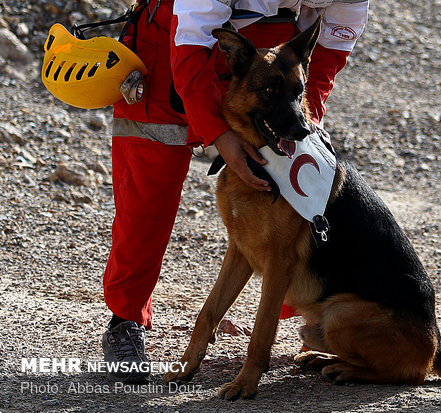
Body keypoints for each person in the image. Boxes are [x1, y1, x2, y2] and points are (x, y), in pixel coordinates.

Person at [101, 0, 369, 383]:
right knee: (145, 206)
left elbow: (326, 57)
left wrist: (305, 118)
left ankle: (302, 319)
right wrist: (220, 135)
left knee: (288, 201)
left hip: (264, 72)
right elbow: (190, 45)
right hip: (168, 55)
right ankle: (124, 322)